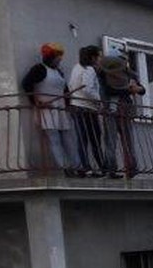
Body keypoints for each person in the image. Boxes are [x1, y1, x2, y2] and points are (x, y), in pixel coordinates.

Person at [21, 43, 80, 176]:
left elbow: (65, 90)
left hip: (61, 109)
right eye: (57, 58)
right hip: (47, 110)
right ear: (50, 58)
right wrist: (37, 102)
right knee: (54, 140)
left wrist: (68, 102)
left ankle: (76, 166)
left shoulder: (58, 71)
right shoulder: (39, 69)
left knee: (69, 139)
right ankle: (66, 169)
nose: (59, 60)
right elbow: (26, 84)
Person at [99, 53, 145, 177]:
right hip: (112, 110)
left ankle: (131, 168)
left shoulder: (130, 74)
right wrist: (128, 90)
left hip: (124, 110)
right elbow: (108, 90)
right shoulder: (105, 74)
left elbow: (142, 89)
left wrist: (138, 89)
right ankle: (111, 168)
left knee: (127, 140)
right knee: (111, 141)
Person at [67, 44, 110, 176]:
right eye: (99, 56)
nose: (100, 59)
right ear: (93, 58)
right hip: (87, 108)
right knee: (95, 139)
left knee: (82, 139)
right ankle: (102, 168)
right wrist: (99, 101)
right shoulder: (89, 70)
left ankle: (85, 167)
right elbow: (88, 89)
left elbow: (70, 85)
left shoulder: (76, 67)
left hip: (76, 106)